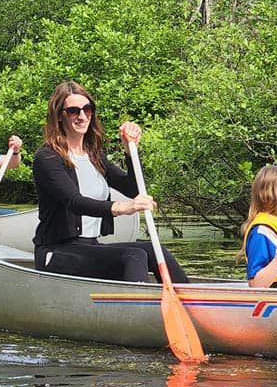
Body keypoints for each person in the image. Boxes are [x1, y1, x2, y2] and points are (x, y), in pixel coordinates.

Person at [32, 80, 189, 283]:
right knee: (134, 256)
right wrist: (124, 207)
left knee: (153, 249)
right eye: (73, 111)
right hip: (56, 252)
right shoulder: (48, 158)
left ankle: (194, 303)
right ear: (59, 116)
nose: (82, 116)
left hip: (89, 246)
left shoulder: (93, 155)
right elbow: (75, 202)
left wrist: (129, 150)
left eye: (87, 109)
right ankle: (133, 311)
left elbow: (133, 188)